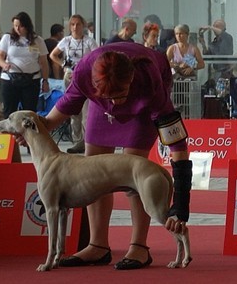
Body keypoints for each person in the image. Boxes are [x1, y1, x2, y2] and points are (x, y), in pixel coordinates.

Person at [42, 43, 191, 270]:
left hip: (141, 104)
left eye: (119, 96)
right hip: (99, 106)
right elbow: (64, 107)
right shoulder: (84, 73)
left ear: (130, 79)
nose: (115, 103)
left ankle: (139, 246)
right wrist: (35, 130)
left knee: (134, 171)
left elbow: (176, 141)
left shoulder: (148, 79)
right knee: (92, 170)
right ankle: (97, 245)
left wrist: (181, 203)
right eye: (110, 97)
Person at [49, 15, 98, 154]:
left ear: (83, 26)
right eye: (72, 25)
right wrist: (64, 65)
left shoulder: (89, 41)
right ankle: (77, 141)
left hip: (87, 78)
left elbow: (97, 57)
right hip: (70, 77)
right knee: (73, 110)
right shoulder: (66, 41)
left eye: (78, 24)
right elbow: (53, 55)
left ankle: (87, 141)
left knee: (87, 111)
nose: (75, 27)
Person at [0, 12, 50, 119]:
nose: (17, 29)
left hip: (32, 79)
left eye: (20, 26)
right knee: (9, 111)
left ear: (26, 26)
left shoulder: (38, 40)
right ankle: (10, 135)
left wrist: (45, 80)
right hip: (10, 78)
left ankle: (27, 135)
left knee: (29, 112)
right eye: (15, 26)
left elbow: (43, 62)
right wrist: (4, 64)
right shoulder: (7, 38)